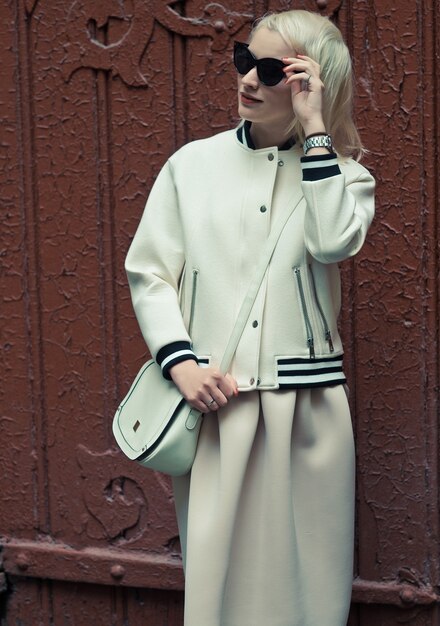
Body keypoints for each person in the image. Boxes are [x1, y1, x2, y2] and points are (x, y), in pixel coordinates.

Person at [125, 9, 375, 626]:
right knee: (218, 587)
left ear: (310, 85)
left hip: (309, 411)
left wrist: (317, 132)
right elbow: (150, 271)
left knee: (310, 587)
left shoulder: (345, 179)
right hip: (219, 404)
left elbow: (332, 241)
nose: (248, 81)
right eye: (245, 60)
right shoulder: (192, 166)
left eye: (271, 70)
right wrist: (179, 363)